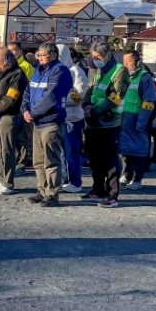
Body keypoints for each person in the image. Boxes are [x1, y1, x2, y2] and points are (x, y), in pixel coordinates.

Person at [23, 42, 73, 208]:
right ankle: (42, 190)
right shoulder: (38, 71)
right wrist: (25, 109)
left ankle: (52, 193)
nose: (39, 58)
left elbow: (51, 97)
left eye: (42, 55)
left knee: (51, 160)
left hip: (51, 121)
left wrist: (34, 112)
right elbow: (28, 91)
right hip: (37, 122)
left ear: (52, 55)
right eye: (38, 55)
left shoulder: (60, 71)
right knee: (38, 160)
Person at [82, 41, 130, 208]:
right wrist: (85, 105)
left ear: (108, 55)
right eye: (93, 57)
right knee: (94, 159)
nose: (95, 60)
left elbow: (117, 96)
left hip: (109, 123)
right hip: (93, 123)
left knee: (109, 160)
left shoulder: (119, 71)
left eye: (98, 57)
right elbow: (90, 91)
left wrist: (95, 110)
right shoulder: (97, 72)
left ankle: (112, 194)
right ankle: (98, 189)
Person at [0, 49, 28, 195]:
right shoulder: (1, 71)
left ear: (8, 61)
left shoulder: (18, 74)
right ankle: (1, 178)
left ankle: (8, 182)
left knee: (7, 150)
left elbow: (11, 97)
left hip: (9, 115)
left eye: (0, 64)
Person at [119, 50, 156, 191]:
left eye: (128, 61)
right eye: (124, 62)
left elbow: (149, 102)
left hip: (137, 119)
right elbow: (118, 95)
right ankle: (126, 174)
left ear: (137, 62)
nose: (126, 64)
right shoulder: (124, 77)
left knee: (139, 150)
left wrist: (142, 121)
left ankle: (137, 178)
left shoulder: (144, 78)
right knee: (125, 150)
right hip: (124, 119)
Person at [57, 44, 88, 193]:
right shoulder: (54, 71)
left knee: (72, 151)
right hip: (57, 117)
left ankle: (76, 181)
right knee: (60, 151)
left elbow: (79, 94)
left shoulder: (76, 71)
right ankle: (64, 178)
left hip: (72, 118)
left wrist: (60, 100)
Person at [8, 41, 35, 170]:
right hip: (10, 105)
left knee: (22, 136)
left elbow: (30, 88)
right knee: (13, 135)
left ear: (20, 51)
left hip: (22, 105)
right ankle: (17, 158)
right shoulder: (8, 65)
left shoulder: (26, 66)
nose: (12, 53)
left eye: (14, 50)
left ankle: (23, 160)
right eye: (10, 50)